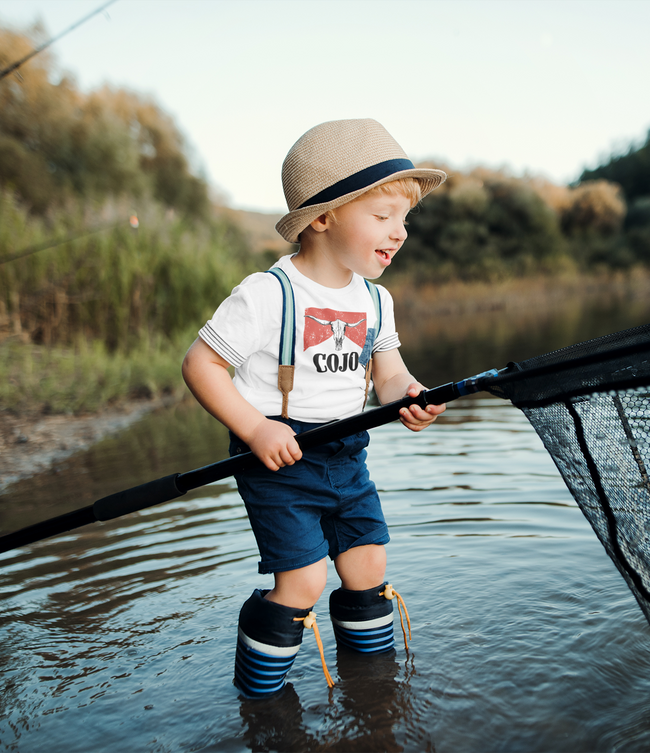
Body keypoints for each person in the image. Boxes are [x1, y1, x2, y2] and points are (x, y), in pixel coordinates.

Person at [181, 119, 447, 698]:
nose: (399, 233)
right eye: (382, 217)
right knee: (300, 582)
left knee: (367, 567)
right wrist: (254, 427)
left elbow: (389, 372)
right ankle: (259, 700)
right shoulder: (267, 294)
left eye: (404, 219)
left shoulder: (377, 299)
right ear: (322, 217)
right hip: (278, 457)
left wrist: (406, 394)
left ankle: (373, 690)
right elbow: (200, 366)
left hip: (346, 451)